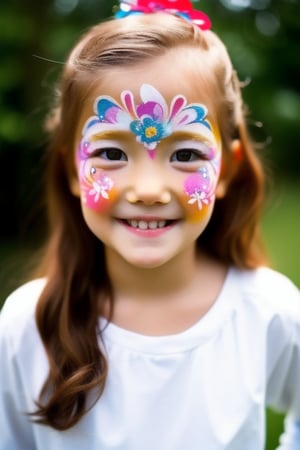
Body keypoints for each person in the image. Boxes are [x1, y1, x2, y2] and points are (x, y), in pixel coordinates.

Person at [0, 1, 299, 449]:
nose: (148, 189)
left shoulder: (269, 311)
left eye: (185, 155)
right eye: (112, 154)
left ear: (228, 172)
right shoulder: (27, 325)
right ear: (71, 172)